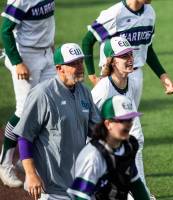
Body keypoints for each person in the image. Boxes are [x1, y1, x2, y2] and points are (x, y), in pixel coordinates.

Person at [13, 43, 101, 200]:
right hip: (51, 187)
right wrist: (31, 175)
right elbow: (24, 136)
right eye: (74, 63)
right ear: (60, 68)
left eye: (81, 61)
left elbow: (97, 131)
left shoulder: (84, 92)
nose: (80, 67)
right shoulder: (43, 94)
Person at [91, 36, 155, 199]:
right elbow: (89, 122)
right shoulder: (103, 90)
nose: (130, 59)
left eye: (130, 54)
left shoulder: (130, 82)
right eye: (124, 56)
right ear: (112, 61)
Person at [0, 0, 56, 187]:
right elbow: (5, 30)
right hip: (26, 56)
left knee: (51, 105)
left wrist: (51, 44)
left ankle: (26, 160)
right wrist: (17, 62)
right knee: (24, 111)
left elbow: (47, 20)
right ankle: (5, 163)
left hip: (46, 53)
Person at [82, 0, 173, 108]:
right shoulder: (115, 13)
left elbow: (147, 48)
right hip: (114, 75)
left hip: (136, 75)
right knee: (111, 120)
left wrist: (163, 77)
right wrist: (92, 76)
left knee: (131, 120)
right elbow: (87, 40)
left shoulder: (150, 12)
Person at [68, 95, 150, 200]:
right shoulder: (93, 156)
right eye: (122, 121)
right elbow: (80, 197)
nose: (128, 125)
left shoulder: (129, 146)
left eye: (130, 120)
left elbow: (136, 185)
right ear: (108, 124)